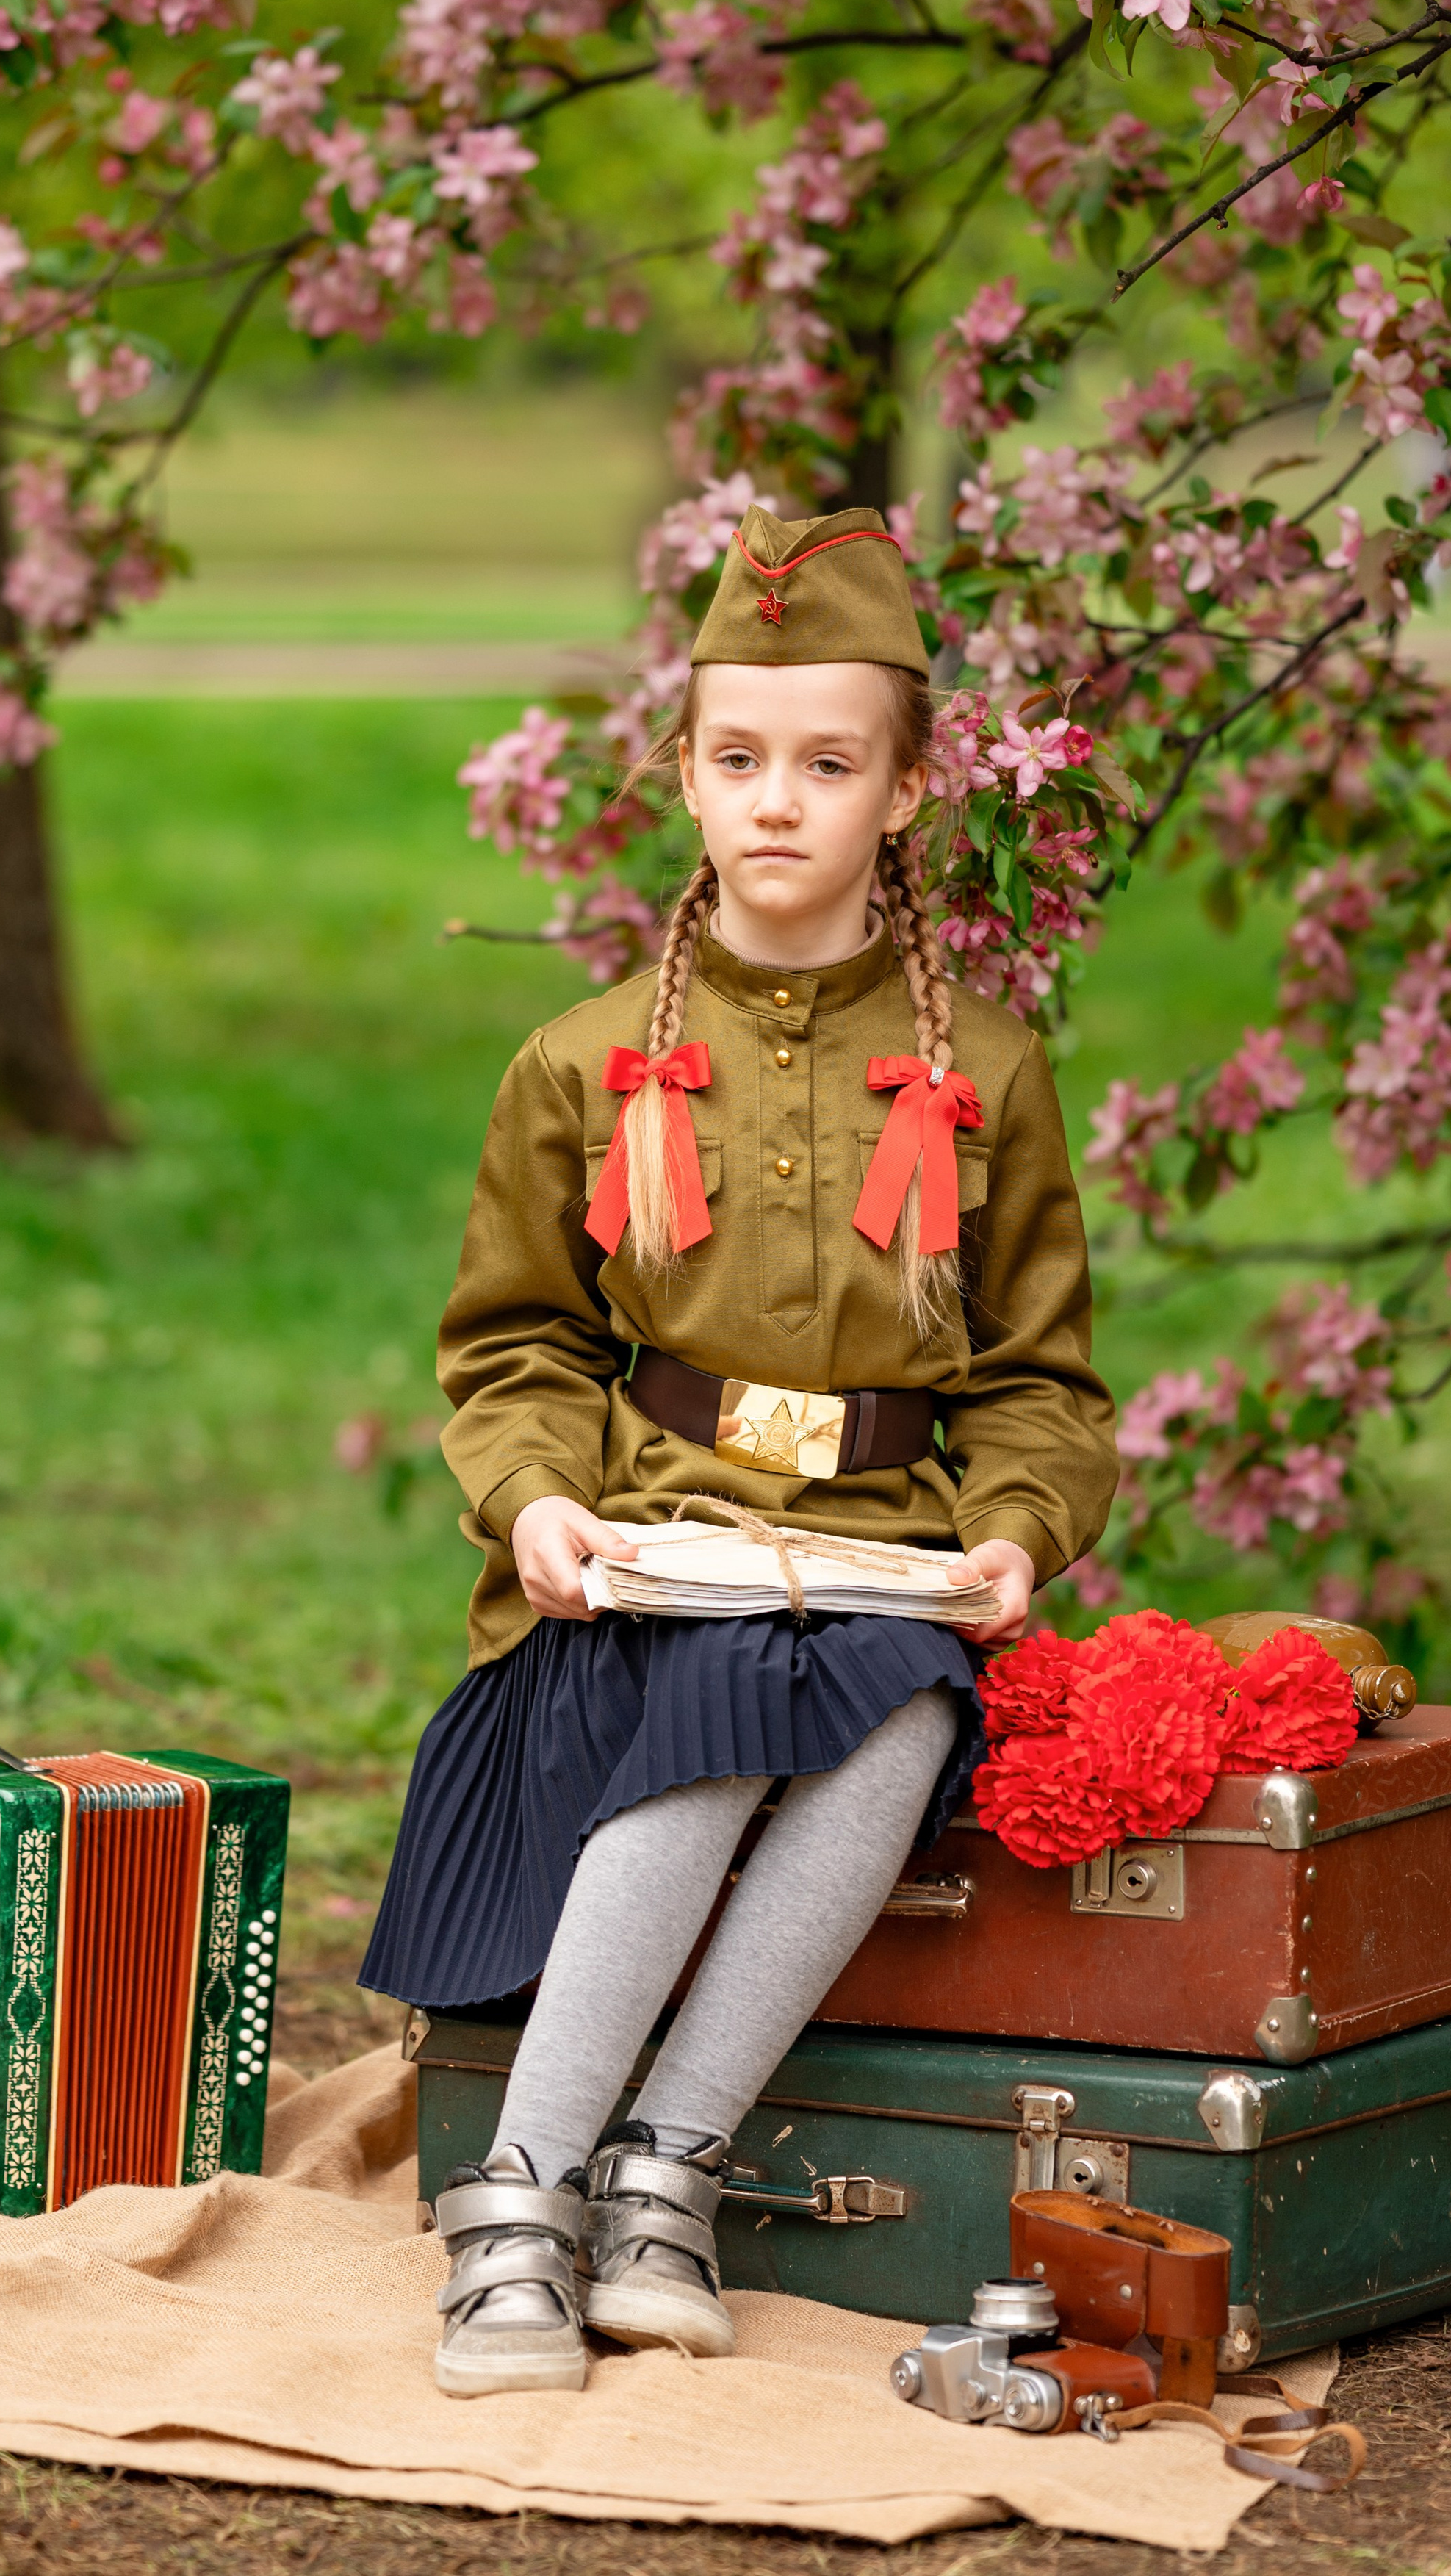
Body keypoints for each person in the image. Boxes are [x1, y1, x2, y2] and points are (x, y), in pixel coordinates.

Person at [360, 503, 1117, 2397]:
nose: (779, 800)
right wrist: (535, 1504)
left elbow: (1037, 1379)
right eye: (738, 758)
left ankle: (669, 2178)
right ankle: (520, 2209)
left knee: (905, 1707)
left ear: (909, 788)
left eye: (829, 762)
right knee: (711, 1697)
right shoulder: (581, 1061)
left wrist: (1017, 1530)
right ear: (684, 774)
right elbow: (519, 1340)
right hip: (646, 1550)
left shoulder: (992, 1074)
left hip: (872, 1549)